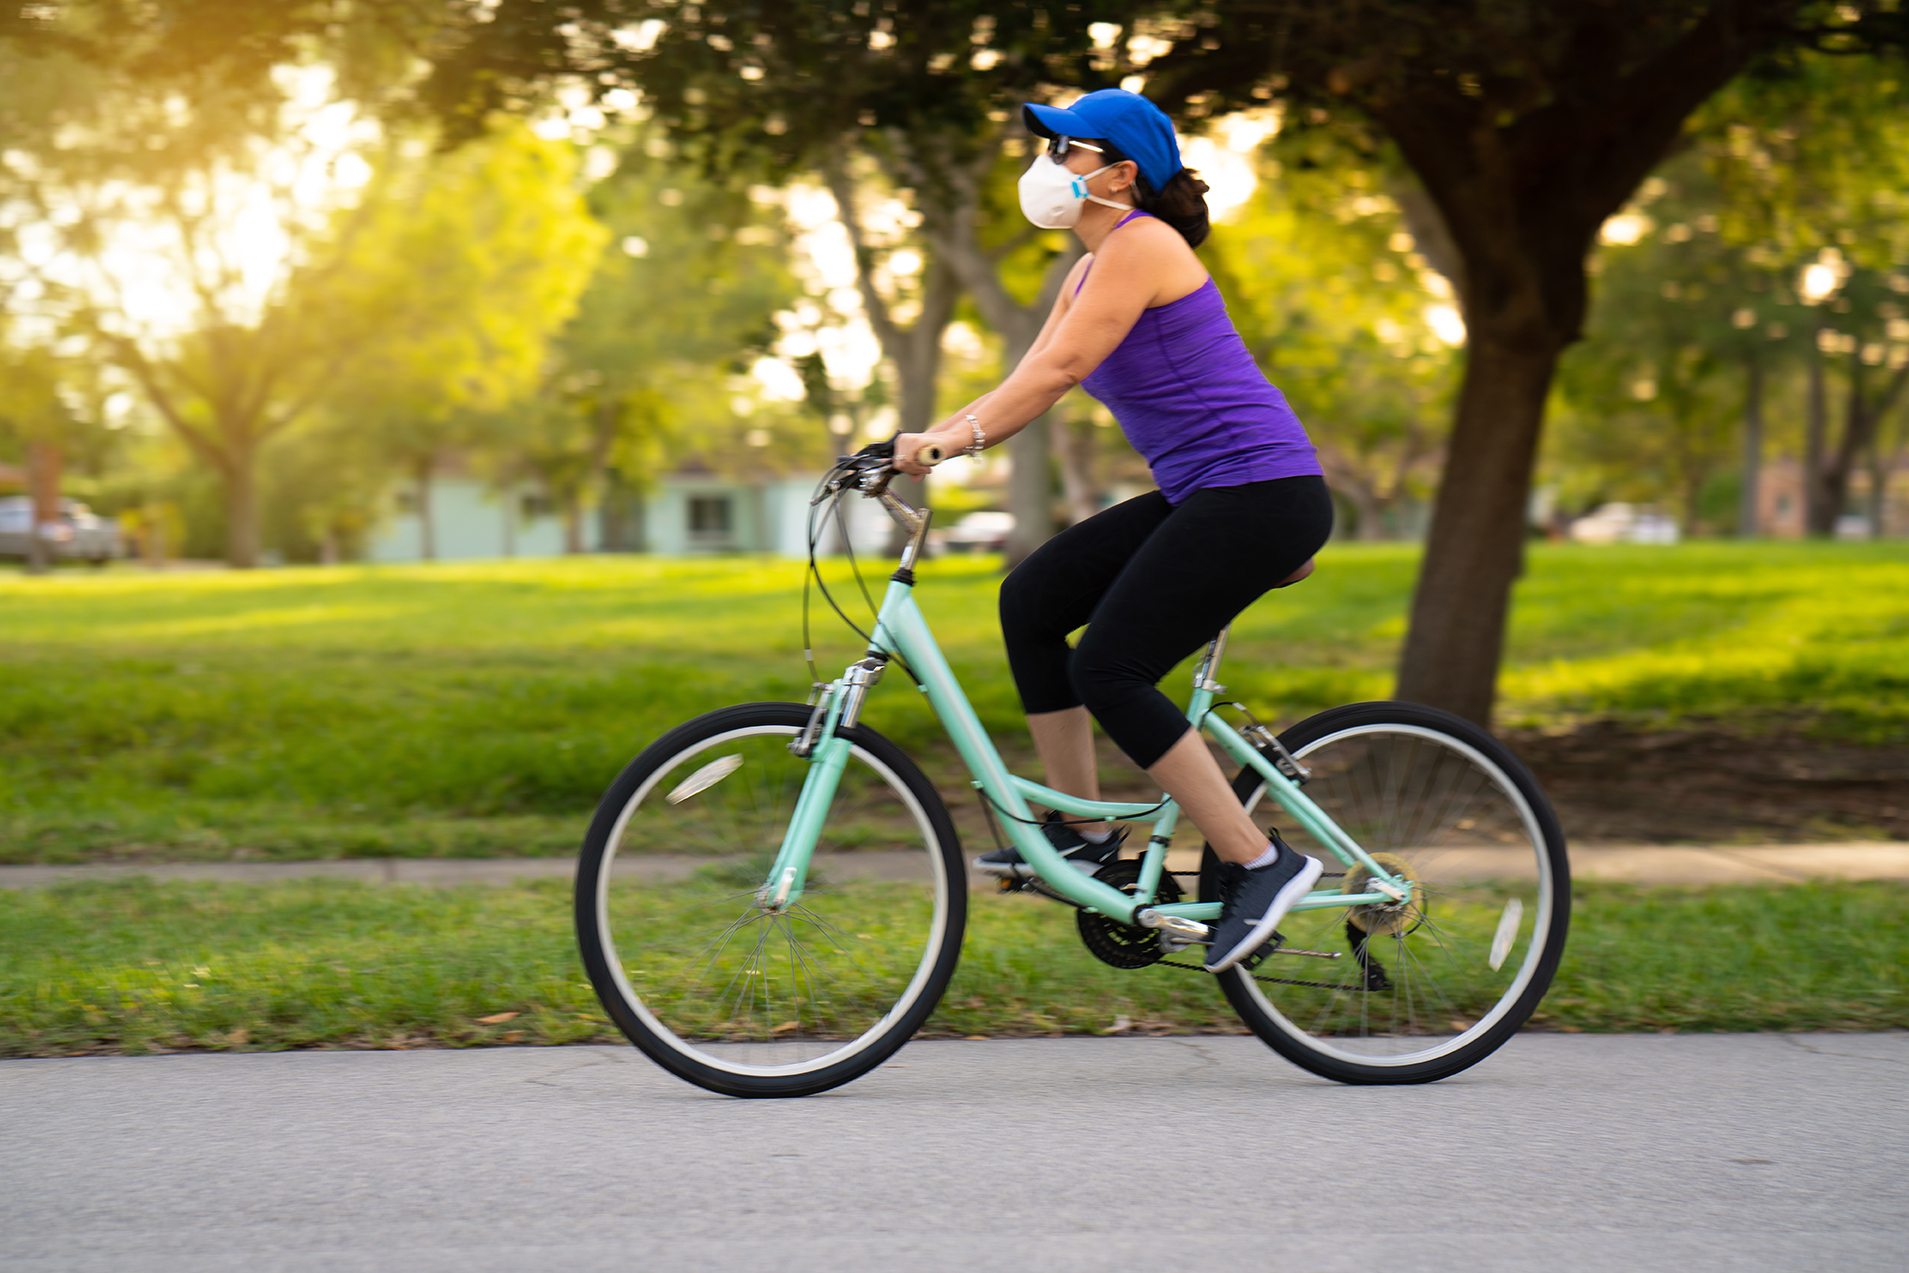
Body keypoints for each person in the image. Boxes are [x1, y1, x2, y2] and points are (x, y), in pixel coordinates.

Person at [893, 89, 1334, 975]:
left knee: (1110, 666)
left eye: (1065, 150)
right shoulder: (1090, 267)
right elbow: (1021, 376)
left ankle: (1259, 859)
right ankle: (1085, 833)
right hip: (1208, 491)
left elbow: (1060, 371)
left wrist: (944, 445)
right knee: (1032, 597)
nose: (1047, 164)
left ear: (1120, 173)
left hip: (1260, 492)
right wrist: (905, 442)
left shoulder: (1143, 246)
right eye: (1047, 148)